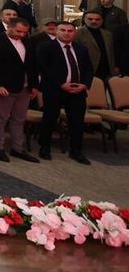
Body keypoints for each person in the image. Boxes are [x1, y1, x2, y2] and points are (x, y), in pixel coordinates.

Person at [0, 17, 39, 163]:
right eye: (18, 31)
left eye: (24, 32)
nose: (21, 34)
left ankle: (17, 148)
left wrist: (34, 85)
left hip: (24, 87)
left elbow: (32, 65)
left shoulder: (28, 41)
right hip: (4, 87)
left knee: (19, 119)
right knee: (1, 118)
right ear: (9, 27)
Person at [36, 21, 94, 164]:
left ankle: (76, 151)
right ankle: (44, 147)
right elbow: (44, 69)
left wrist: (84, 85)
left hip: (77, 91)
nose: (67, 33)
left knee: (77, 122)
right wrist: (61, 84)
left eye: (70, 31)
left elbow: (89, 69)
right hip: (54, 90)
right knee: (49, 119)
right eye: (63, 30)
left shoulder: (81, 49)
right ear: (56, 31)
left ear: (74, 33)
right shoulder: (46, 47)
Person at [74, 10, 116, 81]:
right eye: (90, 19)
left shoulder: (107, 34)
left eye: (97, 19)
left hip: (106, 71)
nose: (94, 21)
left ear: (102, 20)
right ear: (84, 19)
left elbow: (111, 52)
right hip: (88, 70)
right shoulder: (77, 33)